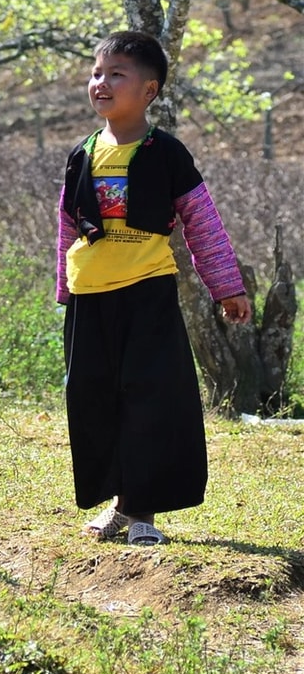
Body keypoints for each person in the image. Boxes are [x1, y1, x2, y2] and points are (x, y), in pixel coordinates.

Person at [57, 31, 251, 547]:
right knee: (93, 397)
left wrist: (226, 287)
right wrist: (65, 288)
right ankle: (117, 506)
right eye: (97, 73)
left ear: (149, 91)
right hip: (90, 296)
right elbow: (67, 226)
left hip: (147, 293)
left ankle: (142, 511)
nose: (102, 82)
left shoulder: (166, 153)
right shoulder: (82, 154)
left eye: (117, 74)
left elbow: (202, 224)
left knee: (151, 399)